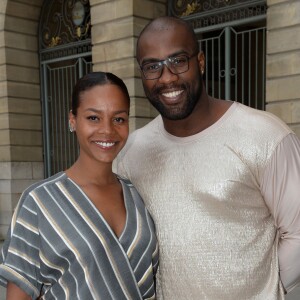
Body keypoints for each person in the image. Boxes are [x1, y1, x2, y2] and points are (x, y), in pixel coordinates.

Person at [114, 16, 300, 299]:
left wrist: (267, 291)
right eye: (153, 67)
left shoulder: (264, 135)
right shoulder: (132, 152)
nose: (167, 77)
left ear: (200, 62)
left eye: (178, 61)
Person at [0, 72, 159, 300]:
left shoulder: (136, 196)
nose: (107, 130)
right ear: (72, 120)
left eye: (119, 119)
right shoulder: (39, 202)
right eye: (94, 118)